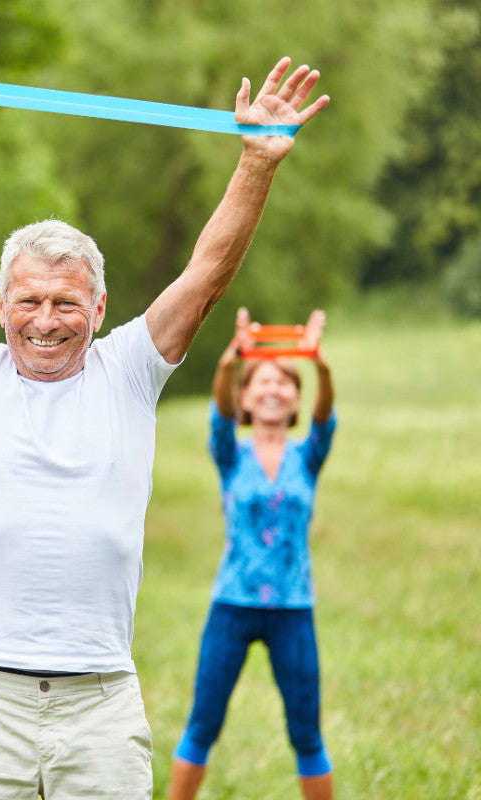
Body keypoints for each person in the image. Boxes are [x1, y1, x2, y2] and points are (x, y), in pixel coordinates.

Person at [0, 11, 329, 799]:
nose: (47, 319)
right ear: (0, 305)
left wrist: (256, 165)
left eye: (68, 302)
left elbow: (205, 275)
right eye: (29, 300)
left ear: (99, 309)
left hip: (99, 701)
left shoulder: (128, 368)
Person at [168, 308, 336, 800]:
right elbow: (219, 414)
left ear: (296, 400)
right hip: (232, 605)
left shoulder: (308, 455)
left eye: (284, 383)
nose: (272, 390)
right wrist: (232, 360)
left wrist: (319, 366)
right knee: (204, 724)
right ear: (245, 396)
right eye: (261, 381)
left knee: (306, 732)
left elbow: (326, 416)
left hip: (292, 609)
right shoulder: (230, 454)